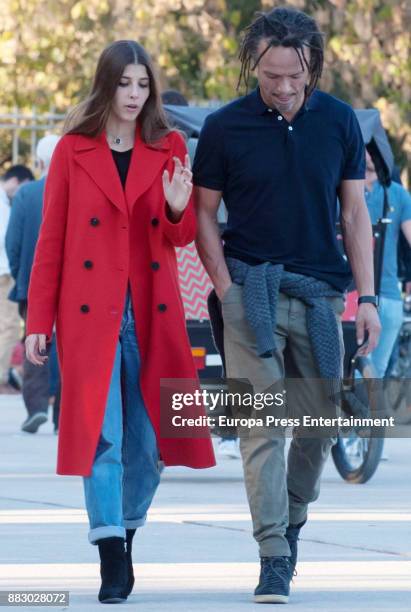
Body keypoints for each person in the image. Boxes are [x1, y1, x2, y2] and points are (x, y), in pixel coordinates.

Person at [194, 6, 380, 605]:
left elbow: (354, 214)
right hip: (253, 292)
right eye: (271, 76)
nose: (283, 87)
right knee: (261, 427)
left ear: (312, 66)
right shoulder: (226, 127)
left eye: (293, 77)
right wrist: (227, 292)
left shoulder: (341, 122)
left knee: (319, 426)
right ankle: (273, 554)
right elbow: (202, 214)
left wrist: (369, 298)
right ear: (255, 66)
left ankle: (292, 520)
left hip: (322, 298)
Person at [25, 40, 215, 604]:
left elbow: (177, 237)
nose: (134, 96)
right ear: (105, 85)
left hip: (152, 311)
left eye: (142, 85)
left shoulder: (169, 144)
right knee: (101, 437)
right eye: (124, 84)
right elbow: (51, 241)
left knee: (151, 442)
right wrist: (38, 320)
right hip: (90, 316)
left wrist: (179, 207)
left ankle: (127, 531)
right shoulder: (72, 150)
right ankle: (111, 551)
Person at [6, 135, 61, 433]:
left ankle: (36, 408)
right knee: (68, 348)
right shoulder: (75, 189)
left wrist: (20, 275)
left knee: (35, 344)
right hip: (70, 284)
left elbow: (12, 243)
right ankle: (63, 415)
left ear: (39, 163)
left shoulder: (26, 194)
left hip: (32, 281)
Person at [364, 151, 411, 377]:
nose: (370, 153)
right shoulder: (339, 188)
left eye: (375, 147)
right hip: (351, 295)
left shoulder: (398, 194)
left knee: (377, 372)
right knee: (356, 369)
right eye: (366, 146)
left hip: (389, 294)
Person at [0, 165, 34, 393]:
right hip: (4, 273)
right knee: (9, 327)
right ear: (16, 180)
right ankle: (1, 377)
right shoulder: (4, 205)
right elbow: (11, 242)